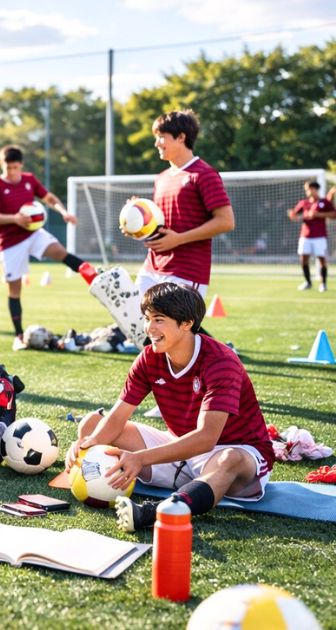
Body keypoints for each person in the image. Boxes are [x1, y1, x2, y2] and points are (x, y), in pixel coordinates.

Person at [65, 283, 272, 532]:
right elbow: (118, 416)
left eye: (159, 320)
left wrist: (140, 459)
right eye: (147, 318)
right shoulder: (149, 357)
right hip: (181, 446)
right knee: (92, 424)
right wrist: (88, 446)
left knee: (230, 458)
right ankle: (99, 483)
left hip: (235, 453)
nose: (149, 328)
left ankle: (159, 511)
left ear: (186, 323)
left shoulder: (220, 361)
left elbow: (207, 439)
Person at [0, 145, 94, 350]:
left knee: (60, 252)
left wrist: (63, 211)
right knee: (14, 289)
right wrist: (15, 219)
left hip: (33, 234)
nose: (12, 172)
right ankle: (18, 335)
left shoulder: (29, 180)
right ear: (2, 164)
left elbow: (48, 197)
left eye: (16, 167)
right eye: (8, 168)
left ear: (21, 165)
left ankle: (96, 277)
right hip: (9, 242)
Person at [136, 110, 234, 302]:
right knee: (136, 324)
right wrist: (136, 220)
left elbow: (226, 221)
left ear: (181, 137)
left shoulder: (204, 174)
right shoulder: (161, 178)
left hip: (186, 271)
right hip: (151, 266)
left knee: (175, 331)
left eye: (161, 137)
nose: (156, 143)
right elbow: (161, 224)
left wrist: (179, 239)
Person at [288, 181, 333, 292]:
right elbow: (293, 215)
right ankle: (308, 282)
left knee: (321, 259)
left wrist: (319, 215)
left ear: (314, 189)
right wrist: (293, 215)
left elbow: (334, 214)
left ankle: (323, 284)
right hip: (305, 236)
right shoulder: (304, 203)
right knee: (303, 259)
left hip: (319, 236)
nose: (307, 191)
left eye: (309, 189)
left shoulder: (324, 202)